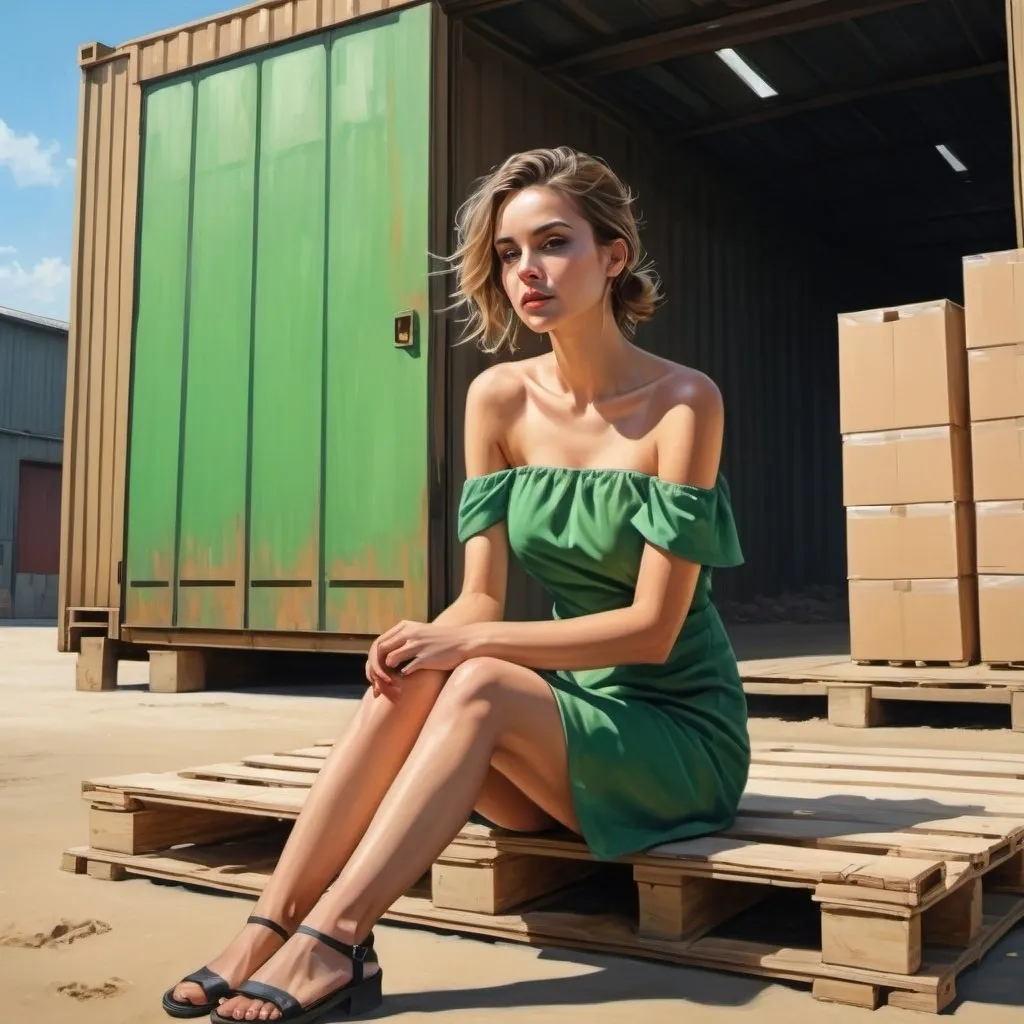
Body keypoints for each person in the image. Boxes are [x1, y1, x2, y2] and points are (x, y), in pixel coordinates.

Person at [162, 145, 750, 1024]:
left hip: (677, 738)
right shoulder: (497, 400)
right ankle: (267, 924)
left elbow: (652, 630)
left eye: (554, 243)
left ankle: (336, 937)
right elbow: (480, 596)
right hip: (561, 736)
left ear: (613, 255)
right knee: (422, 664)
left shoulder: (682, 403)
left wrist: (468, 643)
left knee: (472, 673)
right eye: (510, 253)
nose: (527, 272)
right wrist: (425, 640)